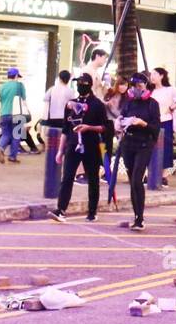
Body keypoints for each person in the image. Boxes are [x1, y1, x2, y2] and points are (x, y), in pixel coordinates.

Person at [49, 73, 107, 223]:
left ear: (89, 85)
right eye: (78, 83)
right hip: (73, 145)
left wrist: (89, 127)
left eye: (83, 83)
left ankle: (92, 211)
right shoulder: (71, 104)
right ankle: (61, 209)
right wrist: (60, 151)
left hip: (91, 145)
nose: (80, 86)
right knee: (67, 177)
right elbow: (65, 129)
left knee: (92, 178)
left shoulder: (97, 105)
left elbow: (103, 127)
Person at [114, 72, 161, 231]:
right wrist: (119, 122)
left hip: (144, 144)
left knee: (136, 179)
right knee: (132, 181)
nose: (136, 89)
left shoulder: (152, 104)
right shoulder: (129, 102)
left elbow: (155, 128)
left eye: (139, 86)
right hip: (128, 143)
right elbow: (121, 117)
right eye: (134, 86)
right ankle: (136, 216)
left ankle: (140, 218)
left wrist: (142, 123)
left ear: (146, 86)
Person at [150, 68, 176, 184]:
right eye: (151, 74)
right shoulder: (150, 90)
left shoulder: (170, 90)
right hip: (152, 122)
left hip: (166, 121)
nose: (152, 76)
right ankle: (150, 173)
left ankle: (164, 175)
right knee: (150, 146)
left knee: (166, 147)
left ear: (161, 76)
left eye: (155, 74)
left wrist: (172, 107)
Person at [0, 67, 27, 164]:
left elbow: (2, 100)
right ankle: (12, 157)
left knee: (6, 134)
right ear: (16, 76)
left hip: (4, 113)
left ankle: (0, 148)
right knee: (16, 136)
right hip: (16, 114)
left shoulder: (2, 87)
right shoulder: (19, 86)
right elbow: (23, 101)